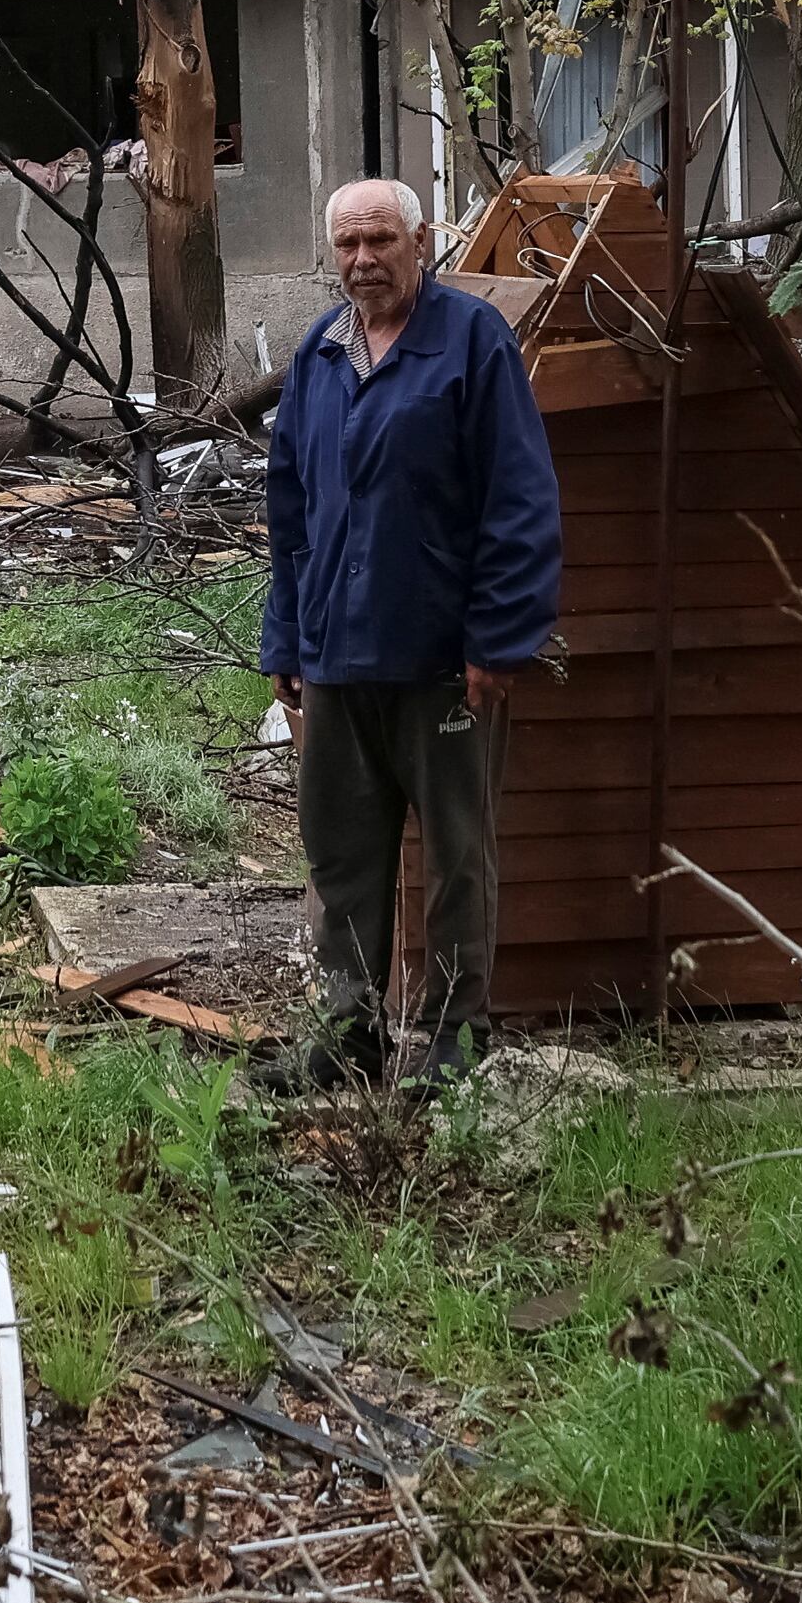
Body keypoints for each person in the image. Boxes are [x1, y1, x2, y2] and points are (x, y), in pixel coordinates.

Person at [255, 176, 563, 1091]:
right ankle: (349, 1029)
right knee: (344, 853)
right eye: (347, 244)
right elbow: (291, 512)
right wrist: (286, 641)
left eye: (380, 240)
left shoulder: (472, 344)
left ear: (420, 242)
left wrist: (495, 640)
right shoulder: (319, 352)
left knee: (458, 855)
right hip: (338, 658)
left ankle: (452, 1040)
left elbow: (520, 503)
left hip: (441, 662)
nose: (362, 260)